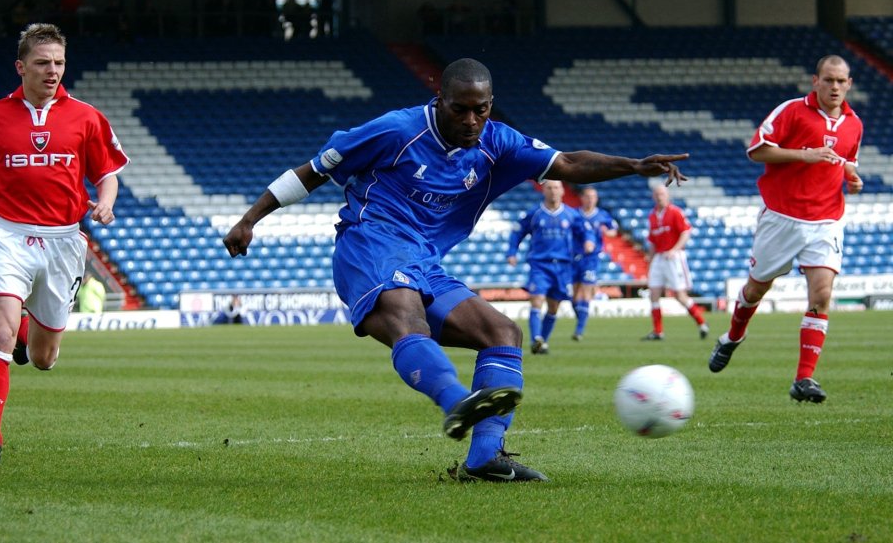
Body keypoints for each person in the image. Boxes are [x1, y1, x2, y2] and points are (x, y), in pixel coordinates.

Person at [223, 58, 688, 482]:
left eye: (480, 110)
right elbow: (313, 170)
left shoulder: (497, 141)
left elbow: (565, 162)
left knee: (503, 334)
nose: (471, 121)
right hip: (370, 244)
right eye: (460, 109)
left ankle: (485, 457)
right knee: (408, 318)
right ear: (439, 100)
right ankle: (455, 402)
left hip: (424, 258)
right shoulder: (395, 130)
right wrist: (249, 219)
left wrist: (632, 165)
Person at [0, 23, 130, 465]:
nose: (53, 71)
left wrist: (107, 203)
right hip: (6, 234)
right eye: (43, 63)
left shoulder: (87, 116)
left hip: (62, 242)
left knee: (43, 358)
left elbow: (106, 173)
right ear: (21, 67)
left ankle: (28, 333)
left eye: (59, 62)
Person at [709, 55, 863, 403]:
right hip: (781, 216)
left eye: (841, 81)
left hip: (826, 219)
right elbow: (756, 150)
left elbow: (847, 161)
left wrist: (852, 178)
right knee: (756, 289)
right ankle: (732, 337)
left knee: (822, 295)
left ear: (849, 84)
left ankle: (804, 379)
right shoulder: (792, 111)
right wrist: (803, 155)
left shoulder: (854, 123)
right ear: (815, 81)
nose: (835, 86)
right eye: (828, 80)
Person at [506, 180, 591, 355]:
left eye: (556, 188)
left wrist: (589, 241)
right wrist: (512, 252)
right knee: (536, 300)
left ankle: (542, 342)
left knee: (553, 307)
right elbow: (517, 231)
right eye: (549, 188)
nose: (553, 191)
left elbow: (585, 230)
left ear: (562, 191)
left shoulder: (571, 214)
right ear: (543, 190)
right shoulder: (535, 213)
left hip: (563, 267)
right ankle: (535, 338)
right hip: (540, 265)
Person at [642, 184, 708, 341]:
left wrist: (675, 250)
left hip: (673, 257)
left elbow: (686, 232)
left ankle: (702, 323)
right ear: (653, 197)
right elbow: (652, 241)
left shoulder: (675, 212)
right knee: (654, 294)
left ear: (668, 196)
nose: (660, 197)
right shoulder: (652, 216)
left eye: (662, 194)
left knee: (680, 295)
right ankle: (658, 331)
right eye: (657, 194)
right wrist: (650, 261)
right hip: (659, 257)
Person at [570, 185, 617, 341]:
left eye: (593, 197)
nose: (590, 200)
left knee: (585, 291)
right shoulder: (575, 214)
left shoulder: (602, 215)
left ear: (596, 199)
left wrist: (606, 231)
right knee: (574, 297)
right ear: (582, 198)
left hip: (591, 258)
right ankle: (581, 317)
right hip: (574, 257)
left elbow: (613, 230)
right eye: (588, 196)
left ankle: (579, 331)